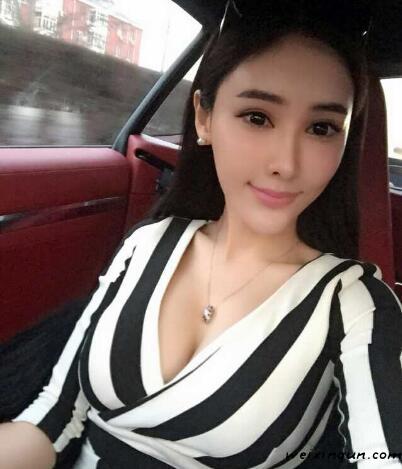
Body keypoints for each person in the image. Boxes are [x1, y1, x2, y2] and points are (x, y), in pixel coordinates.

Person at [1, 1, 402, 468]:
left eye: (321, 128)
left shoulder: (354, 301)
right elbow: (53, 418)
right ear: (204, 118)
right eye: (257, 117)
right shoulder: (148, 243)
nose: (287, 164)